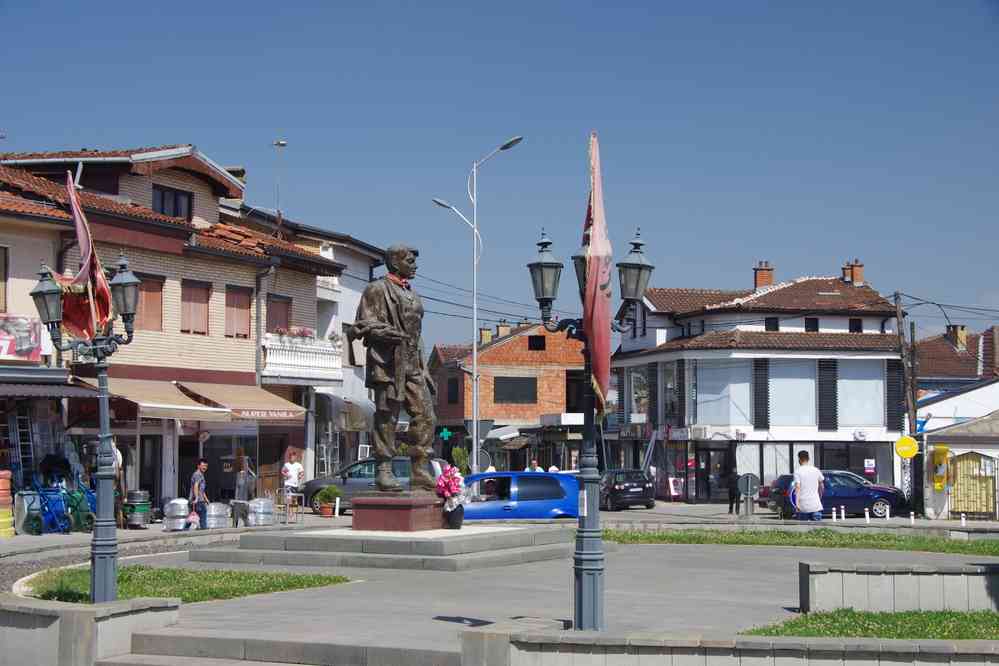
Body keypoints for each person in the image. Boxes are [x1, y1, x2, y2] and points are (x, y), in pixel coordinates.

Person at [347, 244, 437, 492]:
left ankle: (419, 469)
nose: (415, 265)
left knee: (427, 416)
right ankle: (384, 469)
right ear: (395, 263)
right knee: (388, 417)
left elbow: (417, 334)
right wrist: (386, 333)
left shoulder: (413, 295)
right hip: (388, 364)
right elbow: (362, 325)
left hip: (413, 365)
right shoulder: (376, 290)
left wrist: (425, 367)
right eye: (410, 260)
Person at [792, 450, 825, 521]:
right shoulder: (816, 470)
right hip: (816, 505)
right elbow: (822, 486)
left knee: (804, 530)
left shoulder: (798, 471)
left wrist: (796, 504)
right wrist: (819, 496)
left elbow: (797, 487)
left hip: (803, 506)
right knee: (818, 530)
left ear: (799, 459)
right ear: (808, 459)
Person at [232, 452, 256, 528]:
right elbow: (238, 487)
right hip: (240, 499)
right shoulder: (240, 475)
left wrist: (249, 470)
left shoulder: (247, 475)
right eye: (245, 464)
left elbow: (254, 478)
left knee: (244, 514)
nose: (246, 465)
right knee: (238, 513)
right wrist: (235, 499)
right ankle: (235, 525)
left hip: (244, 498)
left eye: (247, 464)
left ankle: (245, 524)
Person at [281, 451, 305, 522]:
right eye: (291, 457)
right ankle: (290, 513)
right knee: (289, 499)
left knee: (294, 500)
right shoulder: (287, 464)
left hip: (295, 484)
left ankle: (293, 513)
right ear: (289, 458)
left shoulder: (298, 465)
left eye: (293, 457)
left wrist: (300, 476)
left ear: (295, 457)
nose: (292, 458)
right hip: (288, 484)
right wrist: (286, 475)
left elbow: (302, 472)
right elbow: (282, 471)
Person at [186, 458, 209, 530]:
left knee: (191, 518)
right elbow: (196, 486)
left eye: (206, 466)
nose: (204, 467)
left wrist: (206, 498)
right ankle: (203, 529)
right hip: (198, 501)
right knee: (203, 514)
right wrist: (196, 498)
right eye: (203, 466)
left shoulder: (201, 475)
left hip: (197, 500)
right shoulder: (198, 474)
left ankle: (184, 530)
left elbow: (201, 489)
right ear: (198, 466)